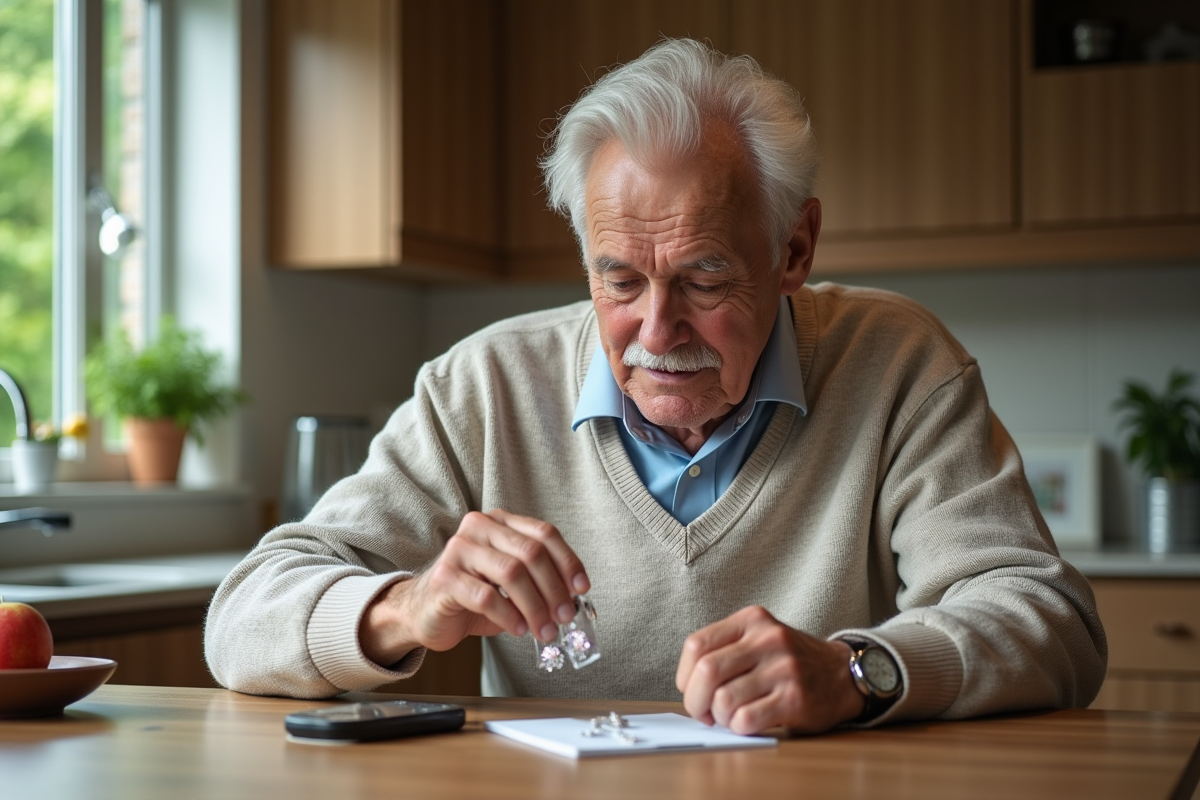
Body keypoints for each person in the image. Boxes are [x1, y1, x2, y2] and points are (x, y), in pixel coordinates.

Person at [206, 38, 1106, 735]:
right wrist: (407, 605)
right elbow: (241, 618)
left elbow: (1051, 623)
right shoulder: (480, 386)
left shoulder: (898, 363)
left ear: (794, 249)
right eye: (619, 280)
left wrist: (854, 672)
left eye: (706, 279)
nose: (657, 330)